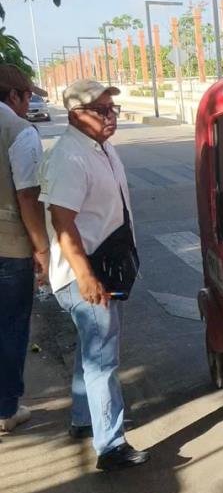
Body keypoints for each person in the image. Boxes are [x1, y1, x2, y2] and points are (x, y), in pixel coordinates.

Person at [39, 79, 149, 470]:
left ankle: (85, 420)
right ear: (75, 114)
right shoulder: (69, 156)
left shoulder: (100, 147)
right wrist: (86, 277)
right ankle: (111, 446)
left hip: (104, 264)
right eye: (100, 110)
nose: (110, 117)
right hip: (85, 273)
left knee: (92, 351)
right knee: (103, 359)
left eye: (111, 108)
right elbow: (63, 223)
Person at [0, 65, 50, 433]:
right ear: (14, 95)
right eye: (27, 95)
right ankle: (5, 409)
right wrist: (43, 251)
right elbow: (28, 197)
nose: (29, 102)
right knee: (11, 326)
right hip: (8, 246)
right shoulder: (18, 131)